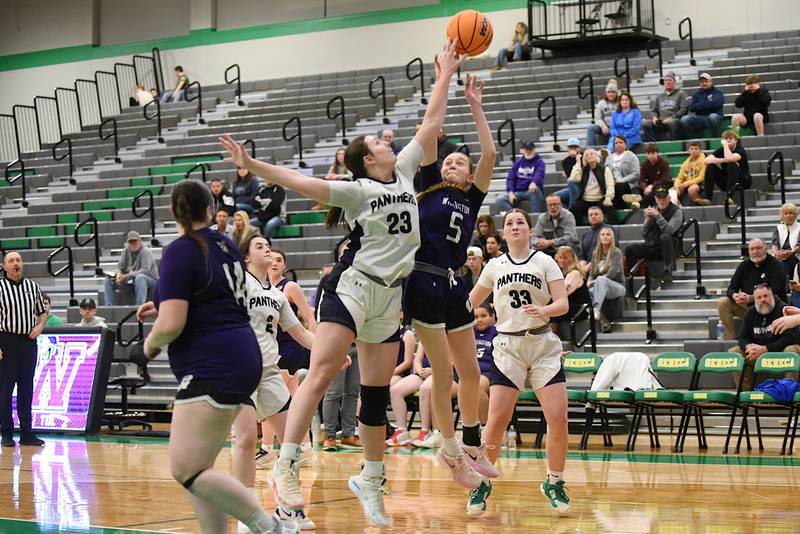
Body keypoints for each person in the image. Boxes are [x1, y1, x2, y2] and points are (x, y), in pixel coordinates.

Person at [219, 40, 466, 528]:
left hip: (389, 296)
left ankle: (371, 480)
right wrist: (252, 166)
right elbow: (299, 181)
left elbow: (431, 123)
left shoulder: (405, 171)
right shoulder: (356, 190)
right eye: (378, 143)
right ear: (367, 159)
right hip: (352, 287)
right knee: (323, 371)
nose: (388, 142)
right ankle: (286, 467)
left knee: (374, 394)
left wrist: (445, 73)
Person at [135, 180, 285, 534]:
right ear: (209, 210)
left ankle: (270, 527)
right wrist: (161, 303)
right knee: (201, 468)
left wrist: (148, 346)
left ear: (175, 212)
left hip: (213, 362)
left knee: (185, 469)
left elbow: (172, 325)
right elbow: (209, 293)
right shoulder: (227, 246)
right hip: (243, 353)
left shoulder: (181, 249)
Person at [403, 72, 497, 489]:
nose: (450, 164)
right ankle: (451, 450)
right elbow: (429, 131)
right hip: (424, 281)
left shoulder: (472, 198)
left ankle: (472, 443)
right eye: (447, 161)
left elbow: (490, 153)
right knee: (442, 376)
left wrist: (476, 106)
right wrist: (442, 80)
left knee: (470, 373)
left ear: (469, 174)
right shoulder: (428, 186)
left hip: (456, 284)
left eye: (458, 162)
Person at [468, 209, 570, 516]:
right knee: (497, 420)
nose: (515, 226)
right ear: (502, 233)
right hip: (508, 345)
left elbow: (562, 303)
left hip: (542, 344)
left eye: (520, 223)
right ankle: (480, 482)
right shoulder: (494, 266)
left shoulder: (545, 261)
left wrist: (545, 311)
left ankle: (554, 482)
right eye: (509, 224)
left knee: (558, 419)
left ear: (530, 230)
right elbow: (470, 301)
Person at [230, 234, 315, 531]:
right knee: (245, 439)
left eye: (268, 246)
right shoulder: (238, 283)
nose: (266, 249)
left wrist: (327, 351)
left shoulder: (278, 295)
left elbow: (300, 333)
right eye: (259, 246)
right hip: (240, 369)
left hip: (269, 371)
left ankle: (289, 509)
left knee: (292, 441)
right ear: (246, 257)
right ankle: (246, 513)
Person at [268, 249, 318, 451]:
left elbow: (309, 317)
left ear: (285, 265)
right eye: (272, 259)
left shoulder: (290, 287)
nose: (274, 263)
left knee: (272, 397)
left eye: (279, 260)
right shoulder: (261, 288)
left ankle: (267, 448)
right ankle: (304, 445)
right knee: (292, 399)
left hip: (289, 347)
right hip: (272, 346)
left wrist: (317, 349)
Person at [0, 252, 47, 448]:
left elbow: (42, 312)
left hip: (28, 342)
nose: (16, 263)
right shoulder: (0, 287)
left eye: (18, 260)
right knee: (5, 389)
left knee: (26, 388)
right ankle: (6, 433)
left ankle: (27, 432)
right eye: (11, 261)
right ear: (5, 267)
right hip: (6, 341)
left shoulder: (33, 287)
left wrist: (40, 326)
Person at [728, 284, 800, 391]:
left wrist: (766, 349)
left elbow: (792, 337)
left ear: (772, 296)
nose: (763, 300)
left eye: (766, 296)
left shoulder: (783, 309)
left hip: (780, 353)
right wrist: (748, 347)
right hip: (758, 354)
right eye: (759, 297)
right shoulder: (750, 312)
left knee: (792, 350)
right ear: (754, 299)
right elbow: (742, 337)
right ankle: (745, 395)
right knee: (735, 352)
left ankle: (790, 391)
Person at [718, 238, 787, 340]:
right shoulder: (744, 265)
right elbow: (731, 288)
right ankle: (729, 340)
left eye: (758, 248)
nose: (755, 251)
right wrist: (735, 296)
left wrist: (751, 298)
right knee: (723, 303)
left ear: (765, 249)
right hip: (750, 309)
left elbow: (775, 291)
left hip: (771, 308)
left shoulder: (776, 265)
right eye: (752, 249)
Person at [624, 187, 683, 282]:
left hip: (670, 248)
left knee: (665, 237)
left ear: (669, 198)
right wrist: (648, 220)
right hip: (653, 245)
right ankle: (632, 279)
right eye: (659, 198)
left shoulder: (676, 211)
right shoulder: (653, 209)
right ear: (655, 199)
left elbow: (670, 231)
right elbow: (644, 233)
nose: (661, 201)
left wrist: (657, 215)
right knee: (630, 249)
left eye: (664, 198)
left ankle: (667, 270)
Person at [386, 341, 433, 447]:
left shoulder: (449, 336)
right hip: (422, 374)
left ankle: (425, 431)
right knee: (395, 390)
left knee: (425, 389)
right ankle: (402, 431)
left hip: (440, 373)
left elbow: (453, 361)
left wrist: (433, 370)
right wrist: (419, 369)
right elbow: (417, 360)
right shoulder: (424, 337)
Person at [322, 343, 362, 451]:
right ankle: (330, 435)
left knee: (353, 392)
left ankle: (349, 435)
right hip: (338, 344)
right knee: (334, 391)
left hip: (358, 344)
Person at [104, 231, 159, 306]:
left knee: (140, 278)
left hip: (150, 280)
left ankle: (139, 306)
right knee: (109, 279)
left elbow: (145, 270)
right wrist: (119, 275)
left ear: (140, 241)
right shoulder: (125, 251)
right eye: (131, 242)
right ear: (128, 243)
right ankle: (109, 306)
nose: (133, 244)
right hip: (131, 281)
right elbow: (120, 266)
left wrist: (127, 276)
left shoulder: (145, 252)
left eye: (135, 241)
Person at [587, 227, 625, 333]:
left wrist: (593, 282)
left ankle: (596, 310)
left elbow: (611, 274)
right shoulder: (595, 253)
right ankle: (603, 321)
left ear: (612, 237)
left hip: (617, 287)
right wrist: (588, 283)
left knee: (601, 279)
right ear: (599, 237)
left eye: (608, 235)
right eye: (602, 234)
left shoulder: (616, 252)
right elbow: (591, 274)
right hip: (600, 286)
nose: (605, 237)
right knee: (586, 292)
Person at [494, 140, 545, 214]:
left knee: (535, 190)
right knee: (499, 199)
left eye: (530, 149)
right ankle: (514, 216)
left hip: (530, 191)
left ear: (534, 150)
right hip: (517, 192)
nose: (528, 151)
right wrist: (511, 192)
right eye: (526, 149)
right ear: (523, 150)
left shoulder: (540, 162)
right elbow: (510, 179)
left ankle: (535, 216)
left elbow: (539, 174)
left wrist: (534, 182)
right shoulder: (517, 163)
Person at [569, 148, 617, 225]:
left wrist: (608, 197)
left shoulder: (604, 169)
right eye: (587, 155)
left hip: (600, 199)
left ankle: (612, 228)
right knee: (574, 208)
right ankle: (579, 229)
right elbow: (573, 178)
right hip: (585, 200)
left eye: (592, 154)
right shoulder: (582, 170)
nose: (589, 156)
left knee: (609, 207)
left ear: (596, 156)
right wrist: (578, 162)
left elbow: (610, 185)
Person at [701, 130, 749, 204]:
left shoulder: (740, 150)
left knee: (732, 164)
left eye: (730, 139)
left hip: (742, 182)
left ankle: (729, 197)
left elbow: (729, 159)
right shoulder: (721, 150)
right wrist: (724, 160)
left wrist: (725, 146)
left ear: (736, 141)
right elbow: (706, 161)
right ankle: (707, 198)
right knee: (711, 166)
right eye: (726, 139)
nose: (728, 140)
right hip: (726, 182)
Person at [550, 247, 591, 333]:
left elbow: (562, 293)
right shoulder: (560, 273)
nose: (562, 260)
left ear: (572, 259)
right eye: (560, 258)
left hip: (581, 309)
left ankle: (552, 334)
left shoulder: (574, 273)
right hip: (571, 306)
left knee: (553, 306)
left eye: (565, 258)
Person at [642, 71, 688, 142]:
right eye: (666, 80)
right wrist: (654, 118)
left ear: (674, 82)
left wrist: (672, 118)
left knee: (671, 122)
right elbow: (654, 110)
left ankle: (674, 144)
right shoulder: (659, 96)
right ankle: (652, 145)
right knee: (646, 124)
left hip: (675, 121)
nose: (667, 82)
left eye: (670, 80)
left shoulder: (681, 94)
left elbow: (684, 109)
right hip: (661, 121)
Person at [681, 73, 724, 139]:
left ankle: (715, 139)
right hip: (701, 118)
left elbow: (716, 104)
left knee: (712, 117)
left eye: (706, 81)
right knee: (685, 119)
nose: (704, 83)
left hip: (716, 116)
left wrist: (700, 105)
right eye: (702, 82)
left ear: (711, 82)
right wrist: (708, 104)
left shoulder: (718, 92)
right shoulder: (696, 94)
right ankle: (693, 141)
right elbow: (692, 107)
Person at [472, 303, 495, 426]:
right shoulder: (468, 333)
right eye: (476, 317)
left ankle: (485, 426)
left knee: (478, 386)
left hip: (489, 373)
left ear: (492, 316)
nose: (479, 320)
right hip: (470, 373)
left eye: (483, 316)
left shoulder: (497, 332)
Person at [604, 135, 639, 209]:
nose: (618, 144)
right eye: (616, 143)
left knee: (619, 187)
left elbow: (636, 174)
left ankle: (621, 207)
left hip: (627, 184)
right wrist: (611, 181)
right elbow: (605, 172)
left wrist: (621, 180)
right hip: (612, 184)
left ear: (625, 145)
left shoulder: (631, 156)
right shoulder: (609, 158)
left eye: (621, 142)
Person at [637, 144, 673, 208]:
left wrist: (652, 186)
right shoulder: (644, 165)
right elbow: (641, 180)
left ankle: (641, 204)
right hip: (649, 186)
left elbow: (664, 179)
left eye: (653, 153)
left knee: (656, 191)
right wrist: (645, 187)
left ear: (657, 153)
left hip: (663, 185)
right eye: (648, 153)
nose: (651, 155)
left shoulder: (664, 163)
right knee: (636, 189)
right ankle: (636, 201)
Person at [671, 141, 706, 206]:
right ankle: (679, 209)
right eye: (692, 149)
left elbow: (701, 178)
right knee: (673, 192)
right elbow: (679, 178)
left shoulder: (704, 161)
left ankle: (701, 207)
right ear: (688, 151)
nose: (693, 151)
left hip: (701, 184)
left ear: (700, 150)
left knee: (692, 189)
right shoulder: (686, 163)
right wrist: (676, 186)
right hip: (688, 183)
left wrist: (686, 184)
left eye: (696, 149)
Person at [586, 80, 619, 147]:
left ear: (616, 93)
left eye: (613, 92)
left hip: (617, 127)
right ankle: (591, 148)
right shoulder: (601, 103)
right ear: (606, 93)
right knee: (591, 128)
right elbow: (597, 118)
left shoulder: (620, 103)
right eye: (609, 92)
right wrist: (603, 126)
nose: (611, 94)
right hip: (605, 127)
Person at [772, 203, 800, 279]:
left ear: (795, 215)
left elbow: (798, 245)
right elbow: (775, 243)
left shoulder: (799, 227)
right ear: (782, 216)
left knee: (786, 263)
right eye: (786, 213)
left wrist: (790, 252)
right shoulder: (778, 228)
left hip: (795, 255)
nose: (788, 215)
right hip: (780, 255)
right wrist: (776, 253)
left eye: (791, 213)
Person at [578, 206, 609, 275]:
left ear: (602, 216)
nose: (593, 216)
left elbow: (607, 253)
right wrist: (582, 268)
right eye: (591, 215)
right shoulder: (585, 234)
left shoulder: (608, 231)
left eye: (596, 214)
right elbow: (582, 256)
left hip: (603, 267)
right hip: (587, 268)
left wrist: (587, 267)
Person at [554, 138, 582, 209]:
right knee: (555, 197)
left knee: (571, 182)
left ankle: (572, 209)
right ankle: (569, 209)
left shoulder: (585, 157)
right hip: (573, 187)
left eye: (575, 147)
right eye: (570, 147)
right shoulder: (565, 161)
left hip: (583, 186)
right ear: (568, 149)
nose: (573, 149)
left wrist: (579, 160)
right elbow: (571, 174)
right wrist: (574, 159)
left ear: (579, 148)